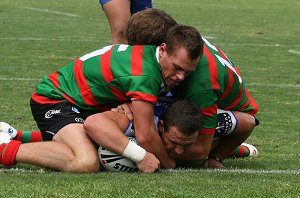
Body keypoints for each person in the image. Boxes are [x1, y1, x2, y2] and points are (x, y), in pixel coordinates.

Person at [0, 25, 203, 173]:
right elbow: (146, 136)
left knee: (112, 136)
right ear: (163, 49)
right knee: (85, 161)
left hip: (82, 103)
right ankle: (3, 149)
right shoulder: (146, 75)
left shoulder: (150, 59)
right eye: (177, 68)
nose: (181, 77)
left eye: (187, 72)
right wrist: (154, 160)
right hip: (55, 99)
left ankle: (15, 135)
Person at [123, 8, 260, 168]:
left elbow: (200, 149)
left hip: (224, 109)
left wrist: (157, 157)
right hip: (190, 99)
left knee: (166, 135)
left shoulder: (201, 83)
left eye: (144, 54)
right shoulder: (179, 44)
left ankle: (224, 150)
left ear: (162, 48)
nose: (140, 62)